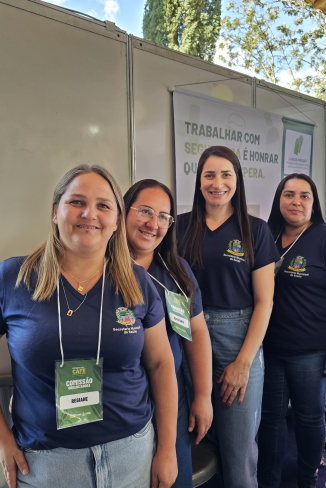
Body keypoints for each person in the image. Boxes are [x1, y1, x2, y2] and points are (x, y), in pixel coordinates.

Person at [0, 165, 178, 488]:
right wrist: (1, 437)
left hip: (130, 453)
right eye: (76, 202)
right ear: (55, 211)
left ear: (116, 220)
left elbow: (161, 364)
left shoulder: (137, 281)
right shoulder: (13, 278)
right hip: (47, 463)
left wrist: (167, 449)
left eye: (103, 205)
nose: (89, 214)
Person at [177, 146, 278, 488]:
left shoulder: (255, 230)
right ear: (198, 181)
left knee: (238, 452)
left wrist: (243, 363)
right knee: (193, 438)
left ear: (237, 180)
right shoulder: (179, 226)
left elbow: (264, 302)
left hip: (237, 338)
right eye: (209, 175)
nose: (217, 183)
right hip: (186, 335)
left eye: (225, 175)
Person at [258, 173, 326, 488]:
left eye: (304, 195)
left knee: (308, 418)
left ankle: (307, 479)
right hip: (270, 349)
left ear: (314, 203)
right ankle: (269, 480)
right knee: (271, 420)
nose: (296, 202)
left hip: (312, 353)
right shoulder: (267, 237)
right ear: (279, 200)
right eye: (289, 194)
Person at [124, 179, 213, 488]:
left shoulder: (176, 270)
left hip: (170, 401)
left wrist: (203, 395)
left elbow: (196, 332)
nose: (154, 224)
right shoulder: (101, 269)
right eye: (145, 211)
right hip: (121, 404)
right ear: (123, 212)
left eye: (164, 216)